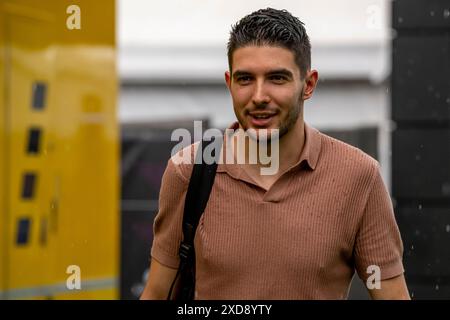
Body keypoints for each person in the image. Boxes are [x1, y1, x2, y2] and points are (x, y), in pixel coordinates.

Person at [140, 7, 410, 300]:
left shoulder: (359, 176)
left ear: (308, 85)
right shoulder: (188, 170)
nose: (258, 96)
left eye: (276, 78)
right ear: (230, 83)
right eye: (245, 79)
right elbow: (156, 293)